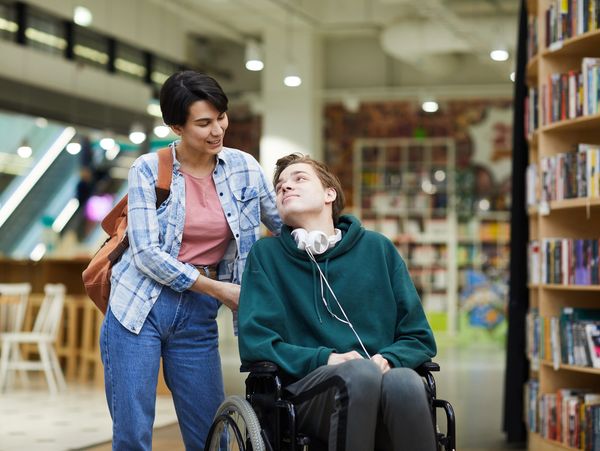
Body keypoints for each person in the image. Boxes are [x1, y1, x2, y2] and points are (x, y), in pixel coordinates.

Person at [100, 70, 282, 450]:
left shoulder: (244, 168)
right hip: (139, 307)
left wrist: (331, 233)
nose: (217, 130)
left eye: (221, 117)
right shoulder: (148, 169)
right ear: (176, 126)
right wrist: (220, 289)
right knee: (133, 433)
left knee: (212, 432)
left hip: (198, 313)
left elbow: (283, 224)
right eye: (203, 123)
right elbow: (147, 254)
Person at [238, 153, 437, 451]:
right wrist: (327, 359)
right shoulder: (266, 256)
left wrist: (388, 360)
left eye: (299, 178)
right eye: (280, 186)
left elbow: (419, 337)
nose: (285, 187)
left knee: (405, 382)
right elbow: (257, 342)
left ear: (329, 193)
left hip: (378, 379)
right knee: (360, 374)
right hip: (305, 395)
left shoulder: (378, 249)